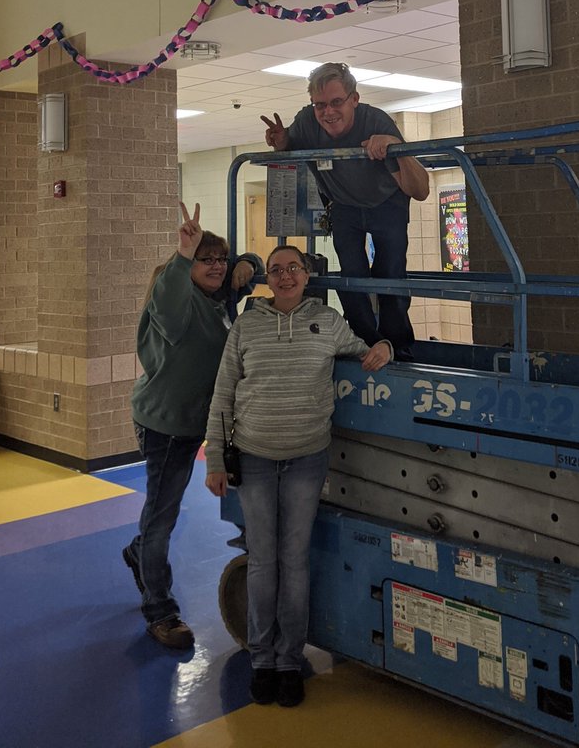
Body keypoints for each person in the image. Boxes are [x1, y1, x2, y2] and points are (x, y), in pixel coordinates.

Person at [204, 244, 392, 707]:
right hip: (254, 459)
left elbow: (365, 350)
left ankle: (289, 662)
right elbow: (223, 392)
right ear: (267, 279)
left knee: (294, 561)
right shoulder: (247, 324)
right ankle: (262, 660)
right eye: (276, 270)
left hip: (307, 459)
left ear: (307, 275)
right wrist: (215, 460)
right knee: (263, 562)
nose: (285, 276)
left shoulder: (327, 322)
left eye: (293, 268)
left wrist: (385, 347)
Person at [123, 201, 262, 651]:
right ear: (187, 267)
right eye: (207, 260)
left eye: (220, 259)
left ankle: (139, 553)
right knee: (162, 517)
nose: (217, 266)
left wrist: (247, 263)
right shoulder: (175, 307)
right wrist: (185, 253)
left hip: (200, 423)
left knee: (161, 518)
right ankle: (159, 611)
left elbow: (251, 269)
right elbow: (168, 296)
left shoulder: (217, 301)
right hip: (165, 426)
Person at [261, 61, 429, 357]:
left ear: (354, 99)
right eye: (320, 104)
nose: (328, 112)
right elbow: (289, 143)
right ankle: (364, 343)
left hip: (387, 202)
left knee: (390, 274)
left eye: (336, 102)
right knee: (351, 275)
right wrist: (282, 140)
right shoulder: (307, 121)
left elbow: (420, 190)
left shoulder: (376, 122)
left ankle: (396, 346)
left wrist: (393, 145)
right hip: (343, 204)